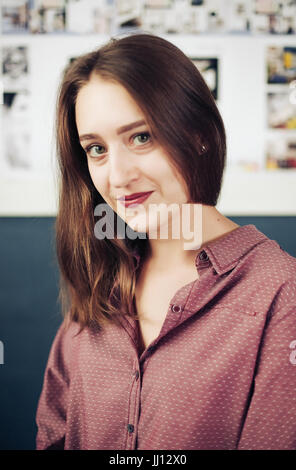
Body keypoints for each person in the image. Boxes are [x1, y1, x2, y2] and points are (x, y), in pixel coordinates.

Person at [35, 32, 296, 450]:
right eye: (97, 148)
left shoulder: (279, 293)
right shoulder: (101, 277)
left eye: (141, 137)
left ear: (198, 134)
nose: (118, 175)